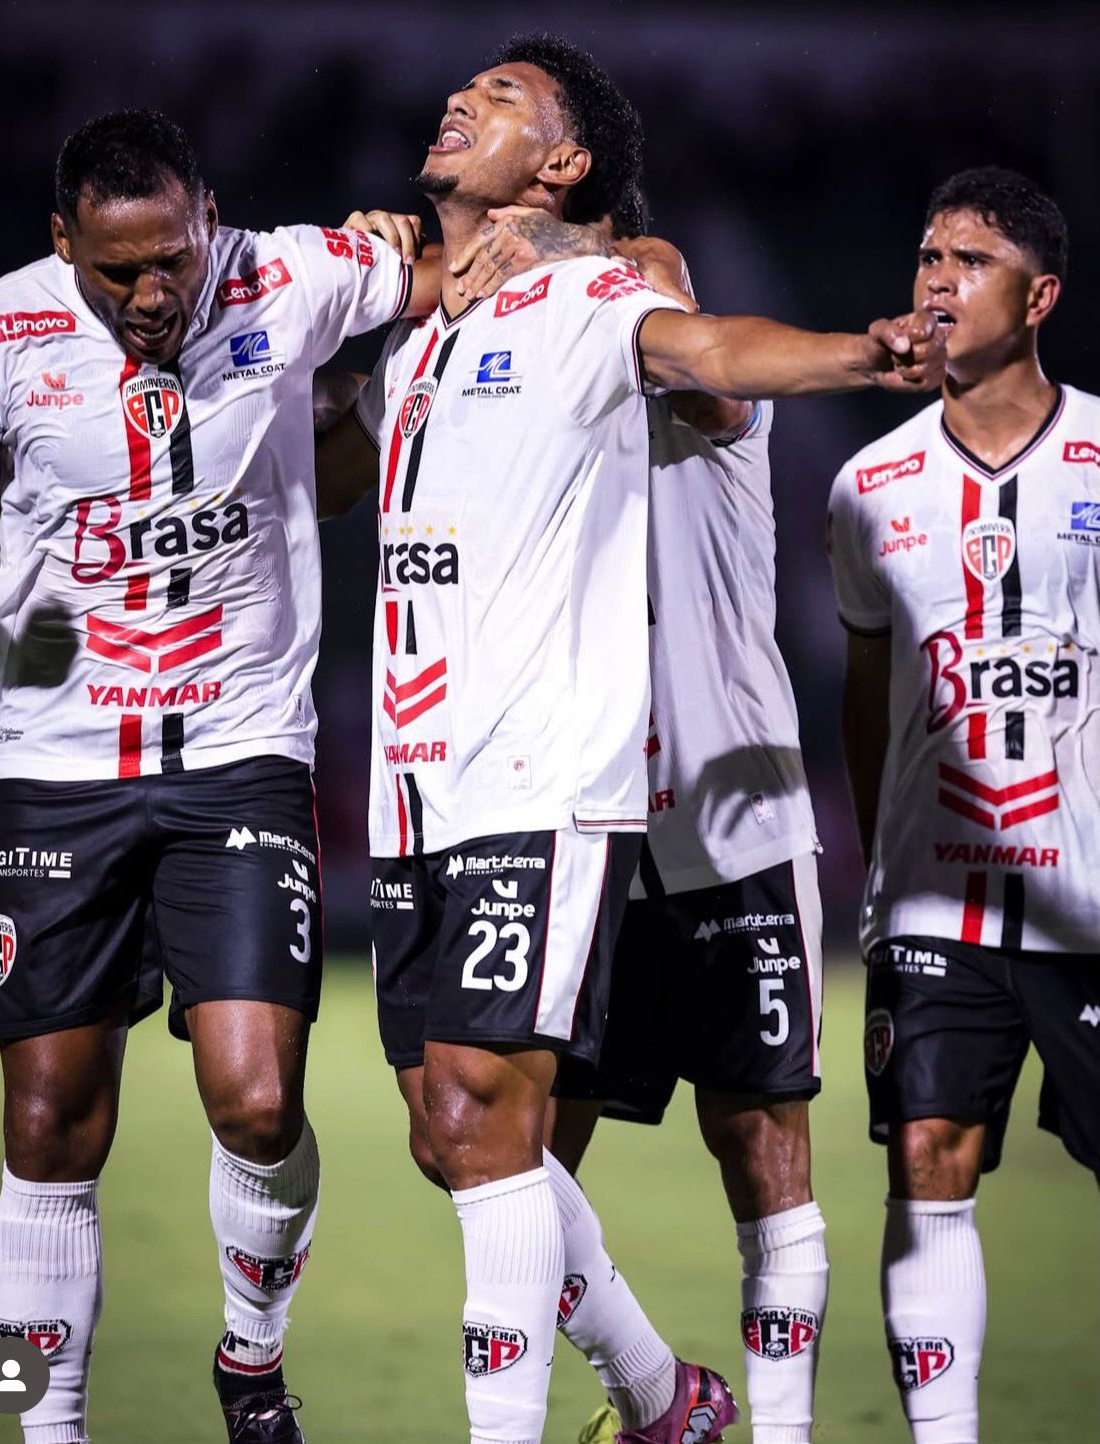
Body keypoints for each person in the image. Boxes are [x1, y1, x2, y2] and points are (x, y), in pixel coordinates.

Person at [320, 32, 941, 1444]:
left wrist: (858, 350)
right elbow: (328, 451)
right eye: (460, 91)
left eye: (504, 101)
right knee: (466, 1139)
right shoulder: (445, 337)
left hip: (694, 806)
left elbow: (702, 342)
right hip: (479, 783)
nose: (460, 100)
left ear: (568, 170)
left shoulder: (623, 299)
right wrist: (371, 294)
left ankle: (743, 1424)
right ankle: (665, 1396)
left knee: (750, 1137)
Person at [0, 108, 438, 1444]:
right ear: (62, 245)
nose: (153, 294)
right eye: (118, 272)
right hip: (54, 773)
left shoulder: (289, 275)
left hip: (238, 757)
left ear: (208, 215)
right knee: (47, 1127)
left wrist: (427, 253)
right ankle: (46, 1427)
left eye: (173, 259)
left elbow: (470, 271)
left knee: (260, 1101)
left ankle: (251, 1360)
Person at [537, 189, 829, 1444]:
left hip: (735, 823)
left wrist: (583, 262)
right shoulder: (537, 416)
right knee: (506, 1151)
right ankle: (657, 1395)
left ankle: (779, 1429)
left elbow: (663, 293)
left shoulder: (708, 385)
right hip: (587, 823)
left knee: (759, 1138)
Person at [827, 166, 1097, 1444]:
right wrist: (882, 860)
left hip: (1090, 895)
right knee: (927, 1154)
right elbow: (869, 692)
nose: (935, 280)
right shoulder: (868, 485)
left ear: (1038, 296)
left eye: (970, 260)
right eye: (927, 255)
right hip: (938, 896)